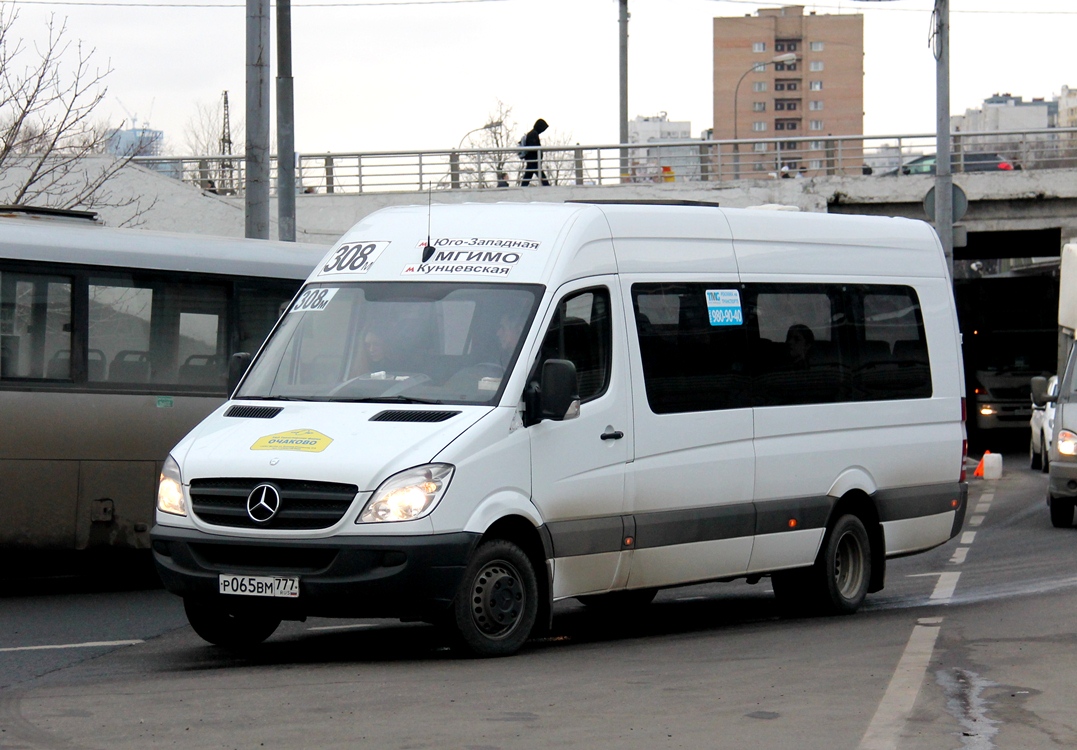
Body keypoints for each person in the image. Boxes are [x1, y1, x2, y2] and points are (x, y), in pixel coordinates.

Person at [519, 118, 550, 187]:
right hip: (534, 160)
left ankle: (522, 188)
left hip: (532, 160)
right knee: (541, 176)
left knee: (527, 176)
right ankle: (547, 187)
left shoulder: (532, 133)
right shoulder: (533, 134)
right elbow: (533, 147)